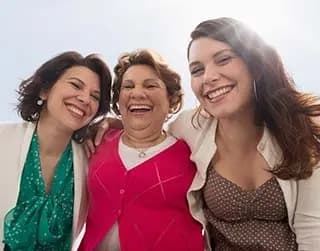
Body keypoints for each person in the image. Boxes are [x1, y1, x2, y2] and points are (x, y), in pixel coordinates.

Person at [91, 18, 320, 250]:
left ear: (254, 63)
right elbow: (149, 130)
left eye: (224, 59)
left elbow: (313, 231)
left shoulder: (300, 131)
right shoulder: (189, 127)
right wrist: (113, 124)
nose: (209, 77)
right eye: (197, 70)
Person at [78, 49, 205, 251]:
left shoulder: (191, 153)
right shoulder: (96, 141)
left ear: (171, 100)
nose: (137, 93)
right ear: (118, 101)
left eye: (151, 85)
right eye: (128, 86)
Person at [0, 51, 112, 250]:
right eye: (76, 85)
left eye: (95, 96)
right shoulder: (3, 137)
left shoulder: (90, 159)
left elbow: (142, 132)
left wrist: (110, 121)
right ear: (45, 90)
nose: (85, 99)